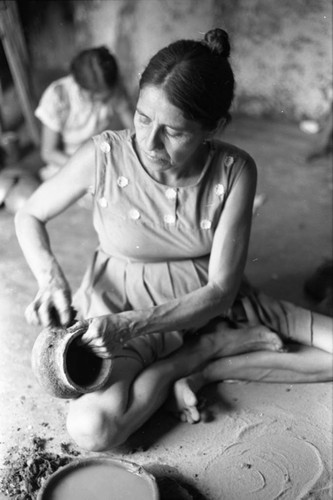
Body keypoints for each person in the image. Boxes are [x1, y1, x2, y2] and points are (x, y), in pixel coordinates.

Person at [15, 28, 332, 451]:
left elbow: (220, 290)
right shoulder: (104, 155)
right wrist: (50, 277)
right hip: (122, 300)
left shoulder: (235, 170)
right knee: (93, 429)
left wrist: (131, 329)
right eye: (143, 118)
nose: (149, 142)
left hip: (206, 301)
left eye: (175, 131)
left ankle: (205, 361)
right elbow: (29, 213)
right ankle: (191, 361)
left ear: (212, 128)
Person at [35, 46, 134, 180]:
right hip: (69, 161)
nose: (100, 99)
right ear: (78, 83)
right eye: (94, 95)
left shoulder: (113, 89)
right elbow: (48, 152)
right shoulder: (59, 98)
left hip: (104, 153)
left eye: (105, 95)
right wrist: (88, 168)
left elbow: (134, 129)